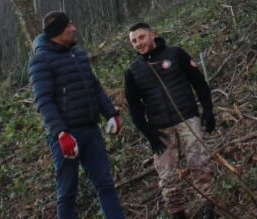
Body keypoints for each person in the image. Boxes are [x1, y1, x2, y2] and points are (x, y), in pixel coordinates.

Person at [28, 11, 126, 219]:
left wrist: (110, 113)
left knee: (105, 185)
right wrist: (61, 133)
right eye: (68, 26)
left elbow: (94, 86)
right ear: (56, 32)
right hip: (66, 137)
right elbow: (43, 100)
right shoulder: (40, 60)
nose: (74, 29)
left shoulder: (78, 54)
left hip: (91, 131)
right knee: (67, 193)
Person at [124, 22, 215, 219]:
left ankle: (207, 207)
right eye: (134, 41)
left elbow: (199, 83)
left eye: (141, 38)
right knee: (167, 176)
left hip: (188, 119)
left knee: (199, 164)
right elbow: (134, 107)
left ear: (153, 35)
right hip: (160, 129)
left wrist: (208, 111)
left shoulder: (176, 54)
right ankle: (177, 213)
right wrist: (148, 133)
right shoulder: (132, 71)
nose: (138, 43)